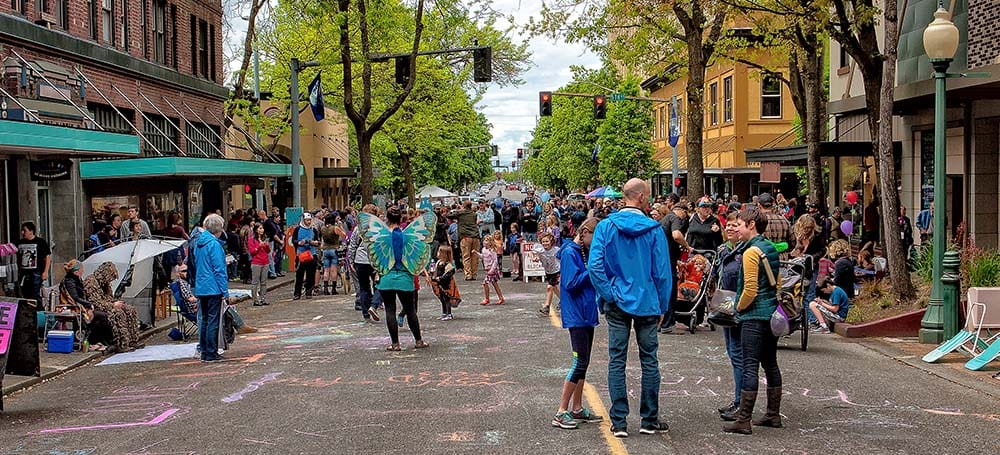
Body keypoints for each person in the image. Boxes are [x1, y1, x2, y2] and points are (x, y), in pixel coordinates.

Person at [588, 178, 672, 438]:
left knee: (617, 360)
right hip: (647, 300)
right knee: (649, 360)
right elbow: (662, 272)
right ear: (642, 197)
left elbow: (595, 266)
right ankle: (649, 419)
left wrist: (609, 293)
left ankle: (619, 421)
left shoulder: (605, 226)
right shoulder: (654, 229)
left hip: (617, 300)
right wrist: (663, 305)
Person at [724, 208, 783, 435]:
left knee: (750, 365)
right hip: (770, 315)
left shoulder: (751, 252)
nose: (737, 228)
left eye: (740, 224)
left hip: (753, 316)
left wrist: (737, 308)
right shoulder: (770, 248)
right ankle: (773, 414)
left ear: (751, 225)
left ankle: (744, 419)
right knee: (770, 364)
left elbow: (750, 289)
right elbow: (777, 281)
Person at [551, 217, 603, 430]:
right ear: (585, 233)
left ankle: (577, 407)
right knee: (579, 361)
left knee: (584, 361)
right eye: (595, 238)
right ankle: (561, 411)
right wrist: (592, 270)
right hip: (577, 314)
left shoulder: (581, 252)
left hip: (586, 312)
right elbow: (571, 283)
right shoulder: (570, 253)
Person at [366, 207, 432, 351]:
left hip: (386, 278)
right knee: (410, 310)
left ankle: (395, 344)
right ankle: (418, 341)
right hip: (405, 279)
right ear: (401, 219)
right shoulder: (409, 236)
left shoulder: (381, 236)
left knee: (390, 310)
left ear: (387, 219)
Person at [715, 214, 744, 422]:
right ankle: (738, 400)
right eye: (728, 225)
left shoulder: (746, 252)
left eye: (735, 225)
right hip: (725, 304)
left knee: (739, 354)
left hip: (740, 306)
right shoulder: (723, 250)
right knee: (733, 353)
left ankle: (742, 402)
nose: (731, 228)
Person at [192, 214, 229, 362]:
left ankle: (204, 351)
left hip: (201, 286)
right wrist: (225, 291)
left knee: (204, 320)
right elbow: (219, 270)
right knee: (213, 321)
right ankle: (211, 352)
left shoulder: (199, 243)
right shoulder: (214, 245)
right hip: (213, 287)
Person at [83, 262, 141, 352]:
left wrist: (117, 303)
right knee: (118, 313)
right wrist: (113, 305)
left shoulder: (105, 284)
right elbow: (95, 302)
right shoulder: (91, 282)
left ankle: (132, 340)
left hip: (107, 304)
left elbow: (109, 297)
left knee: (130, 310)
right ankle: (121, 344)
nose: (110, 281)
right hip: (96, 308)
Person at [61, 260, 113, 350]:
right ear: (76, 271)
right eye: (82, 269)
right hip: (76, 307)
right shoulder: (69, 281)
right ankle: (93, 341)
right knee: (103, 316)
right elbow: (75, 297)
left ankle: (98, 341)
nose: (83, 271)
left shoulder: (77, 279)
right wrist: (88, 305)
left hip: (83, 306)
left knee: (101, 318)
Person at [659, 201, 690, 333]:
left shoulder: (665, 219)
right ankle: (668, 324)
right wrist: (686, 245)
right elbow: (676, 235)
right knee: (671, 292)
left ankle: (662, 322)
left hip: (662, 259)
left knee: (664, 291)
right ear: (682, 211)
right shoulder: (675, 218)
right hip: (669, 261)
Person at [349, 204, 381, 322]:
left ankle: (365, 313)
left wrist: (351, 260)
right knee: (380, 285)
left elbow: (352, 245)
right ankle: (374, 305)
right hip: (375, 261)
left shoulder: (358, 228)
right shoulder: (379, 228)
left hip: (360, 260)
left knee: (363, 287)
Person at [15, 222, 51, 305]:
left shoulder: (40, 242)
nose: (23, 233)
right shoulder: (20, 242)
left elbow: (47, 257)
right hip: (23, 273)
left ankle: (39, 309)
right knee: (23, 292)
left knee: (35, 293)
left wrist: (45, 272)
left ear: (31, 231)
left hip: (36, 272)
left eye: (25, 230)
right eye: (22, 230)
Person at [448, 201, 481, 281]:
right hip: (475, 236)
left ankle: (468, 275)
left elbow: (449, 215)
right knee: (474, 256)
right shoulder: (474, 214)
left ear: (464, 206)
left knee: (466, 256)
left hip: (465, 237)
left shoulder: (461, 213)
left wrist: (457, 209)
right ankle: (474, 274)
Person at [291, 213, 321, 300]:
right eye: (307, 220)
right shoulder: (297, 229)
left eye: (310, 220)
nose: (308, 222)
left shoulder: (313, 230)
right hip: (301, 254)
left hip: (312, 254)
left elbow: (318, 241)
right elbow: (293, 240)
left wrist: (315, 242)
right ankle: (297, 293)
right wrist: (299, 242)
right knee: (299, 275)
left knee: (311, 274)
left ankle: (309, 291)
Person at [427, 245, 460, 321]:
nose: (437, 253)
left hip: (446, 286)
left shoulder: (449, 265)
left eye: (439, 252)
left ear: (444, 254)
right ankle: (444, 313)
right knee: (442, 299)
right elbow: (435, 271)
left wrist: (440, 278)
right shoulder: (438, 262)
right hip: (440, 285)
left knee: (447, 299)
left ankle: (449, 314)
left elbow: (448, 275)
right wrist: (432, 275)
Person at [533, 232, 561, 315]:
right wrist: (535, 257)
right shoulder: (540, 249)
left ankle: (547, 307)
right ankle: (564, 301)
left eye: (547, 241)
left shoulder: (556, 250)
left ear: (551, 241)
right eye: (543, 242)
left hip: (557, 270)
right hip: (548, 271)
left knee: (549, 287)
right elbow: (533, 253)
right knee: (554, 288)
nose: (545, 243)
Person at [474, 234, 505, 306]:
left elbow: (495, 261)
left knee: (485, 283)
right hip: (488, 269)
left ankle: (487, 299)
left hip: (492, 270)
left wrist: (492, 269)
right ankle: (501, 298)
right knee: (495, 284)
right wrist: (476, 253)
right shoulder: (483, 250)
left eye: (486, 240)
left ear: (490, 242)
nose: (484, 242)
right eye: (484, 240)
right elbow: (483, 257)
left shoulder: (492, 250)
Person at [321, 214, 345, 295]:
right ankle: (333, 289)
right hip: (334, 249)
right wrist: (341, 226)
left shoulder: (323, 228)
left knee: (326, 270)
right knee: (333, 270)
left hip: (325, 250)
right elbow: (344, 235)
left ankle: (325, 289)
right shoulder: (335, 228)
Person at [248, 223, 271, 306]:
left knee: (264, 282)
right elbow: (252, 252)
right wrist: (259, 247)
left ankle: (263, 298)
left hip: (265, 262)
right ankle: (255, 300)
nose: (262, 230)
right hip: (256, 263)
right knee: (255, 282)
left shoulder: (265, 239)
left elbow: (268, 251)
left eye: (262, 228)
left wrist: (266, 245)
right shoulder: (251, 240)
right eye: (260, 228)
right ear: (256, 229)